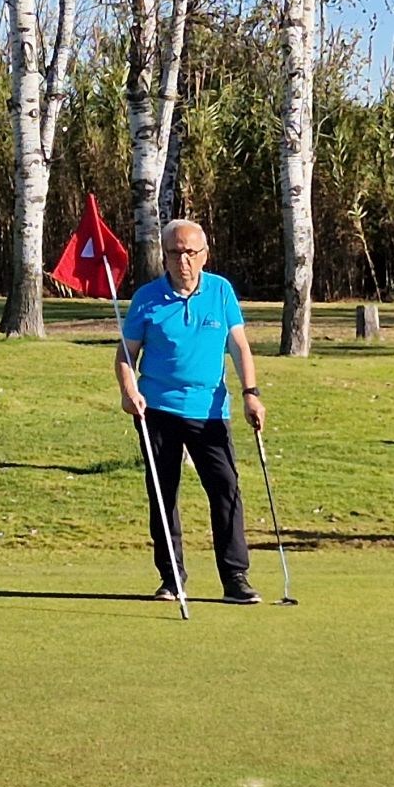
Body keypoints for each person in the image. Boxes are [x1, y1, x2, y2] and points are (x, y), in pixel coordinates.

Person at [113, 219, 266, 604]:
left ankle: (235, 577)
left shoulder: (221, 291)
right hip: (157, 409)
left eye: (190, 253)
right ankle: (172, 579)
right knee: (163, 494)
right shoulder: (146, 298)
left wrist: (250, 394)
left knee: (226, 489)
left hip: (209, 410)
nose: (183, 261)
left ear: (204, 255)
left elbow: (239, 347)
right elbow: (126, 355)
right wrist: (129, 391)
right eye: (174, 253)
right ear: (164, 256)